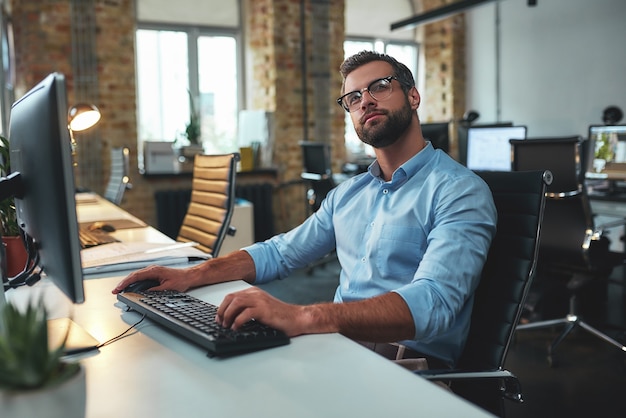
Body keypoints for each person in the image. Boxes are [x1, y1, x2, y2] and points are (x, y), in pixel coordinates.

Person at [113, 50, 497, 369]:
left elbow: (434, 304)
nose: (366, 100)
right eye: (353, 97)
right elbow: (281, 252)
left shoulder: (459, 190)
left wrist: (302, 316)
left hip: (409, 365)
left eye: (380, 86)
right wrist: (191, 276)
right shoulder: (350, 194)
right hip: (340, 348)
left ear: (413, 97)